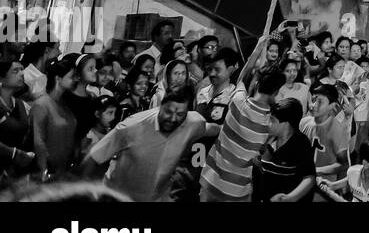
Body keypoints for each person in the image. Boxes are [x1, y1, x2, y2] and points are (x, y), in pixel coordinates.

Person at [80, 90, 214, 202]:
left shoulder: (193, 122)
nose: (173, 119)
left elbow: (211, 128)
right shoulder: (132, 126)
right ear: (160, 107)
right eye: (168, 112)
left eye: (180, 114)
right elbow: (94, 156)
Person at [199, 68, 286, 202]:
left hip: (211, 179)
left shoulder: (237, 100)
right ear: (276, 92)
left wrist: (256, 69)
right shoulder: (268, 123)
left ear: (257, 84)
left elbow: (241, 77)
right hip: (237, 189)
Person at [252, 99, 316, 202]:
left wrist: (289, 198)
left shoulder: (300, 144)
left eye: (272, 120)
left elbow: (309, 178)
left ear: (286, 123)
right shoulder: (268, 138)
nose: (268, 123)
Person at [29, 58, 79, 182]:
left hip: (62, 171)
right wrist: (43, 170)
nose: (75, 80)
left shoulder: (65, 105)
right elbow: (38, 141)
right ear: (58, 78)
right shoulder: (42, 104)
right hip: (46, 172)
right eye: (72, 77)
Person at [302, 83, 352, 192]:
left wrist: (315, 170)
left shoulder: (337, 131)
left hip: (324, 186)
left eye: (320, 102)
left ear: (332, 105)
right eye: (314, 100)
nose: (314, 105)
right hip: (302, 183)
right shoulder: (304, 122)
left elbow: (343, 165)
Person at [0, 58, 35, 184]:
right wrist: (15, 154)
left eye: (22, 70)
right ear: (2, 78)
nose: (21, 73)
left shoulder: (21, 104)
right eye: (15, 71)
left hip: (12, 170)